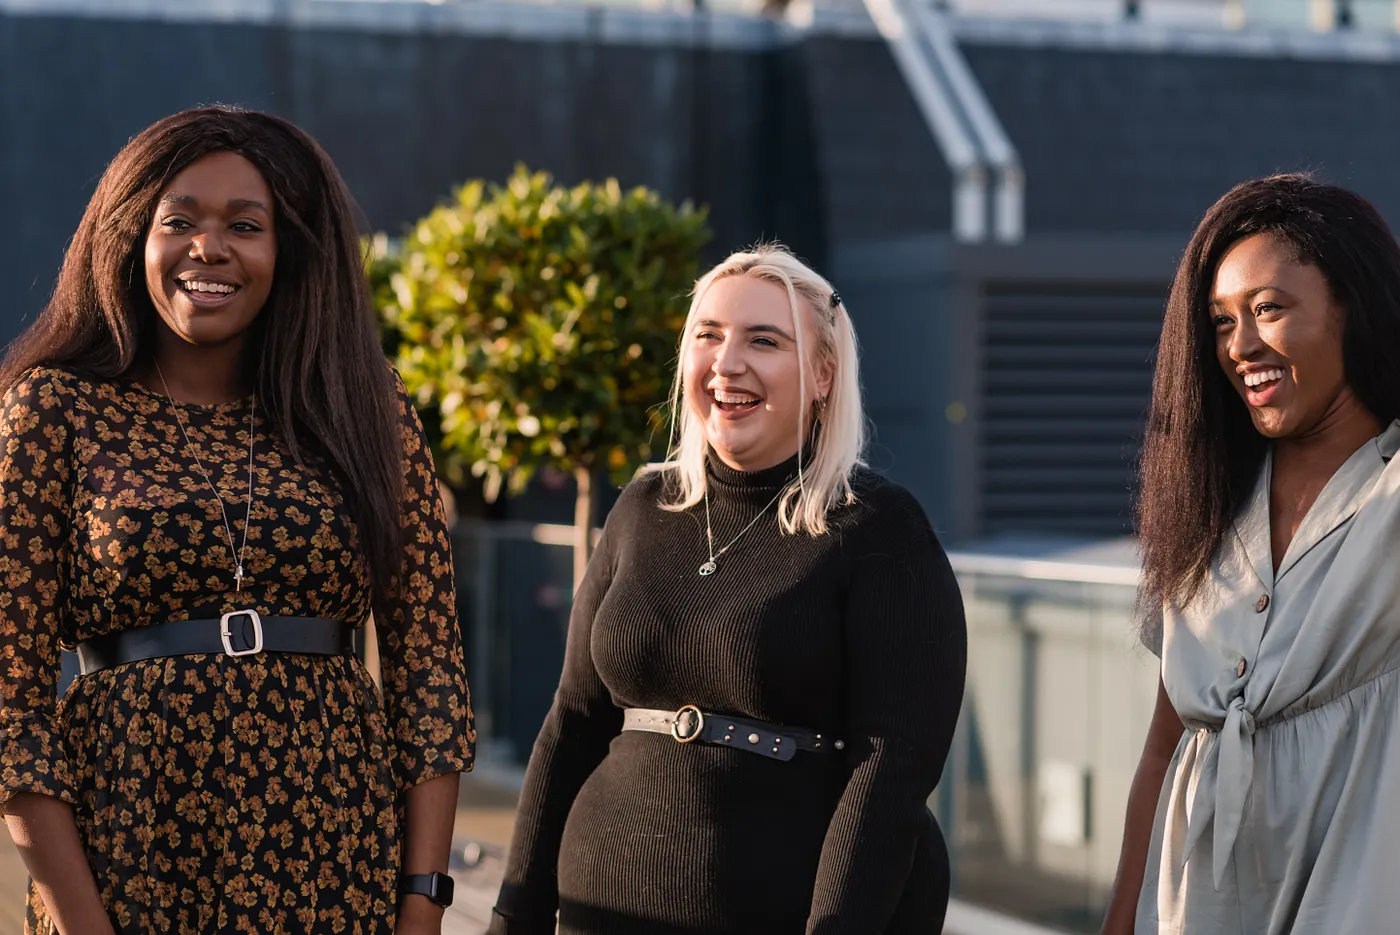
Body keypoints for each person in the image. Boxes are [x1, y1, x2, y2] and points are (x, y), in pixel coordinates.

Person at [0, 107, 475, 935]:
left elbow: (429, 670)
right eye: (178, 220)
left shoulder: (365, 407)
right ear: (129, 235)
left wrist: (423, 900)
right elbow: (10, 699)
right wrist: (83, 923)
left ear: (290, 249)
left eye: (245, 226)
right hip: (126, 858)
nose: (208, 249)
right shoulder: (53, 410)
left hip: (336, 858)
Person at [488, 244, 968, 934]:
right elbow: (572, 721)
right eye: (707, 335)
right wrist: (513, 912)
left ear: (824, 373)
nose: (726, 362)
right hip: (594, 912)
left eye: (764, 341)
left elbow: (890, 769)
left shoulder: (878, 529)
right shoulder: (643, 506)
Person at [1102, 174, 1400, 934]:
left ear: (1353, 306)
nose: (1240, 346)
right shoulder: (1205, 510)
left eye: (1269, 308)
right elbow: (1163, 749)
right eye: (1221, 320)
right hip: (1192, 908)